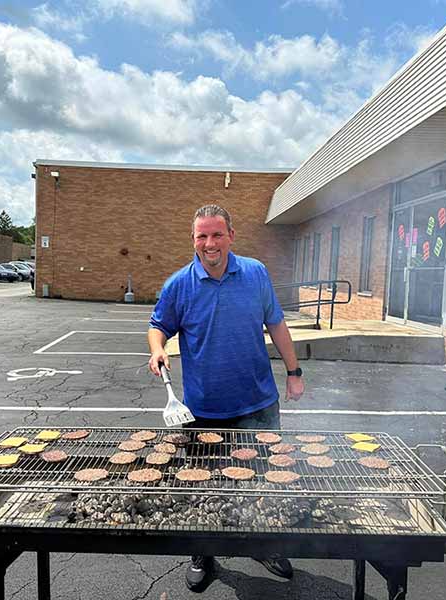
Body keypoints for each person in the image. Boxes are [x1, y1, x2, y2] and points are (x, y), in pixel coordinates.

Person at [148, 204, 305, 592]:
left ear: (231, 236)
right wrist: (158, 348)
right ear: (193, 240)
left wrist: (294, 372)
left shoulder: (255, 273)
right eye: (202, 236)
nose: (210, 243)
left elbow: (276, 323)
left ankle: (263, 545)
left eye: (217, 234)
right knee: (203, 485)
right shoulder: (179, 284)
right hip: (203, 409)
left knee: (263, 482)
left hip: (258, 402)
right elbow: (158, 326)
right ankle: (203, 552)